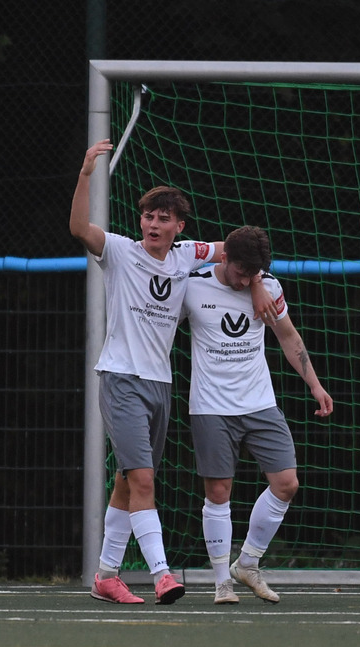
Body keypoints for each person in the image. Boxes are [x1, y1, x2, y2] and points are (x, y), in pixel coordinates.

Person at [70, 139, 276, 605]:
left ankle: (106, 574)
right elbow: (79, 226)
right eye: (149, 216)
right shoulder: (120, 252)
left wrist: (259, 282)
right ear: (140, 221)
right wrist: (86, 173)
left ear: (179, 226)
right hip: (121, 378)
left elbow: (241, 249)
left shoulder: (187, 254)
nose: (154, 224)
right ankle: (163, 574)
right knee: (143, 480)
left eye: (164, 218)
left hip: (160, 385)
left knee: (128, 481)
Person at [181, 225, 333, 605]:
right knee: (218, 493)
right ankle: (221, 582)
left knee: (287, 483)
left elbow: (288, 336)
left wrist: (315, 384)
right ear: (224, 258)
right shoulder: (193, 284)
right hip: (211, 406)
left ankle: (247, 564)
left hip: (260, 403)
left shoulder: (268, 288)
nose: (245, 279)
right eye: (240, 272)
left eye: (253, 274)